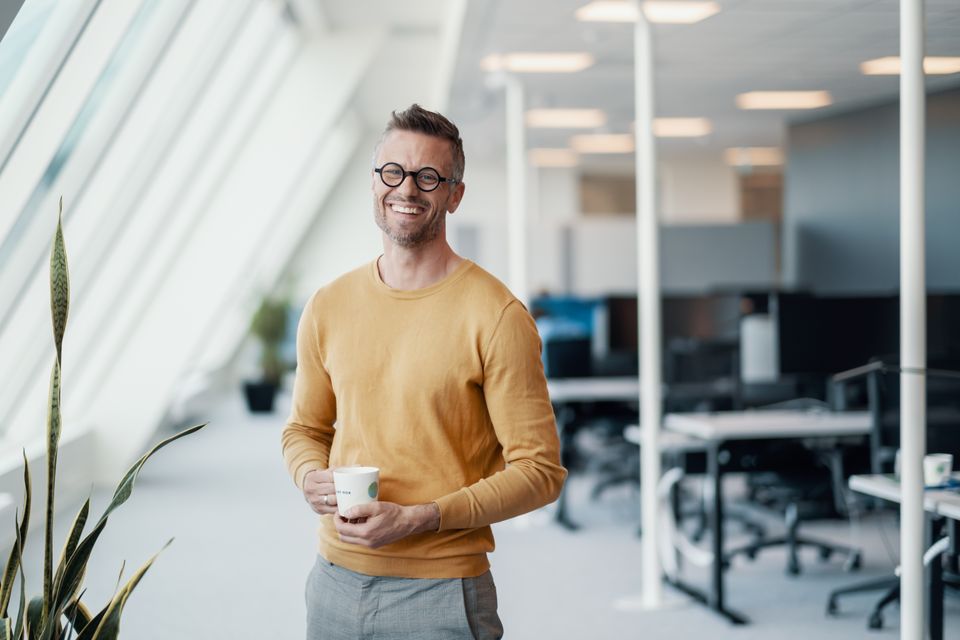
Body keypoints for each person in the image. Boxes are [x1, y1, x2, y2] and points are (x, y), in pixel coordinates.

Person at [281, 104, 566, 640]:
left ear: (455, 194)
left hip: (441, 593)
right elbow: (305, 430)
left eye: (428, 176)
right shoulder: (328, 305)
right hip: (332, 582)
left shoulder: (497, 316)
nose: (406, 189)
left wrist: (422, 517)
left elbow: (540, 473)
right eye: (393, 172)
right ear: (373, 183)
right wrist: (308, 476)